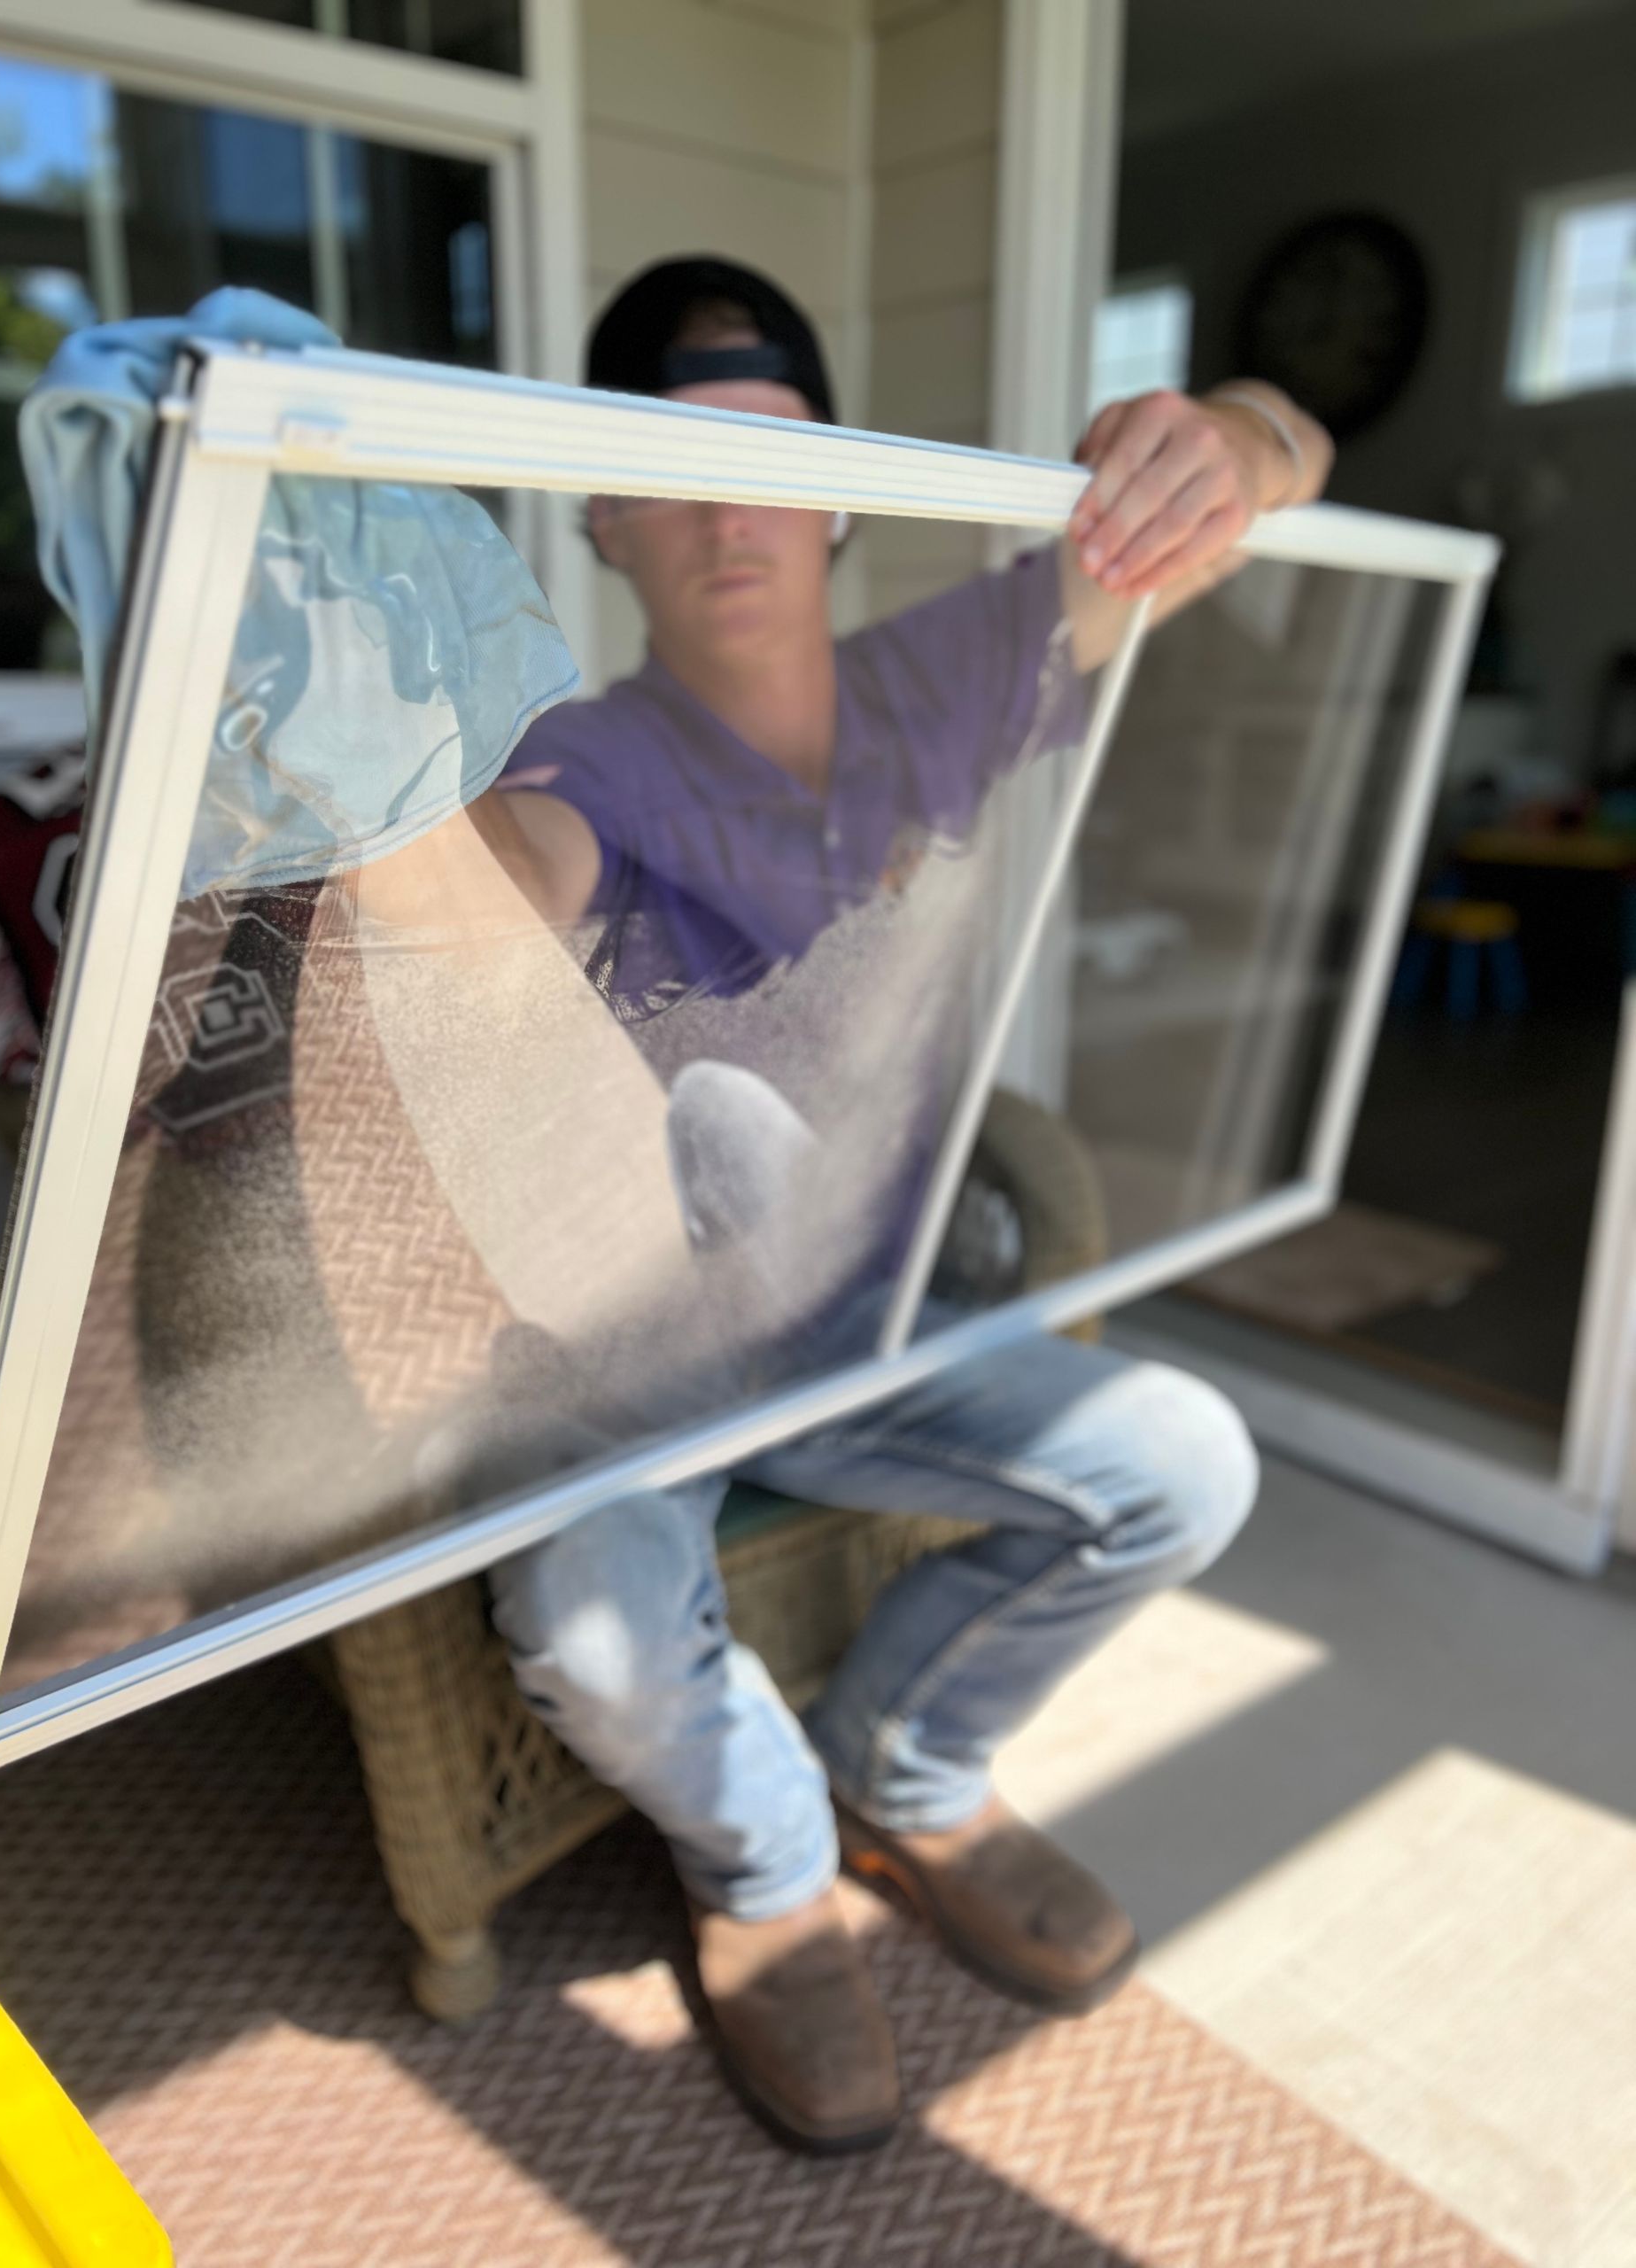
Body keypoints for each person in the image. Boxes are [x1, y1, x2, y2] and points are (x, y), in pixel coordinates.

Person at [477, 257, 1333, 2155]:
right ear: (604, 512)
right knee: (589, 1625)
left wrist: (1239, 444)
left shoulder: (943, 686)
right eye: (674, 472)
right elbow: (511, 871)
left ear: (847, 492)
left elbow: (1293, 450)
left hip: (872, 1322)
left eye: (778, 465)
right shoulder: (577, 761)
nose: (735, 517)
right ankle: (770, 1868)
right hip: (631, 1363)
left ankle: (907, 1765)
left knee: (1189, 1457)